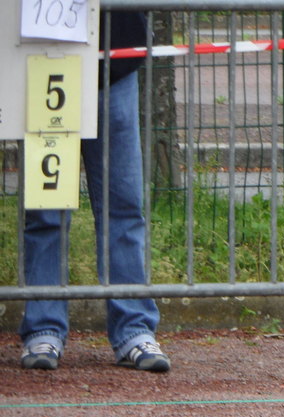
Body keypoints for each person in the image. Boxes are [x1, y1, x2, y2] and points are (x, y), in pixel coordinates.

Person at [19, 11, 170, 372]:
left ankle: (134, 329)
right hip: (43, 61)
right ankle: (43, 329)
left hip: (113, 59)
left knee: (124, 206)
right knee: (46, 208)